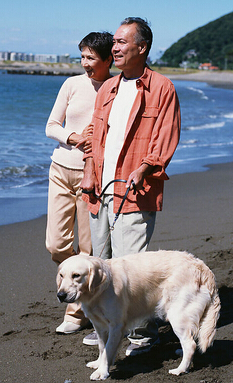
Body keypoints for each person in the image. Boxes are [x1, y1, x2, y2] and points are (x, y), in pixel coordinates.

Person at [80, 17, 181, 354]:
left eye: (123, 42)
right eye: (115, 42)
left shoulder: (162, 87)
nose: (115, 48)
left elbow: (165, 137)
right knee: (101, 263)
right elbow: (95, 135)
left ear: (142, 47)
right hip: (100, 190)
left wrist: (147, 166)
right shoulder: (108, 87)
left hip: (135, 189)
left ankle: (140, 334)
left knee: (131, 266)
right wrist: (89, 172)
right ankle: (108, 327)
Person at [45, 32, 113, 334]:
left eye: (91, 58)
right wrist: (74, 138)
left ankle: (77, 310)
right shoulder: (71, 84)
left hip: (95, 175)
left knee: (88, 247)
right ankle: (81, 297)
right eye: (82, 57)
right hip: (60, 169)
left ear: (108, 59)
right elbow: (51, 126)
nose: (85, 63)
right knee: (56, 244)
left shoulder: (116, 88)